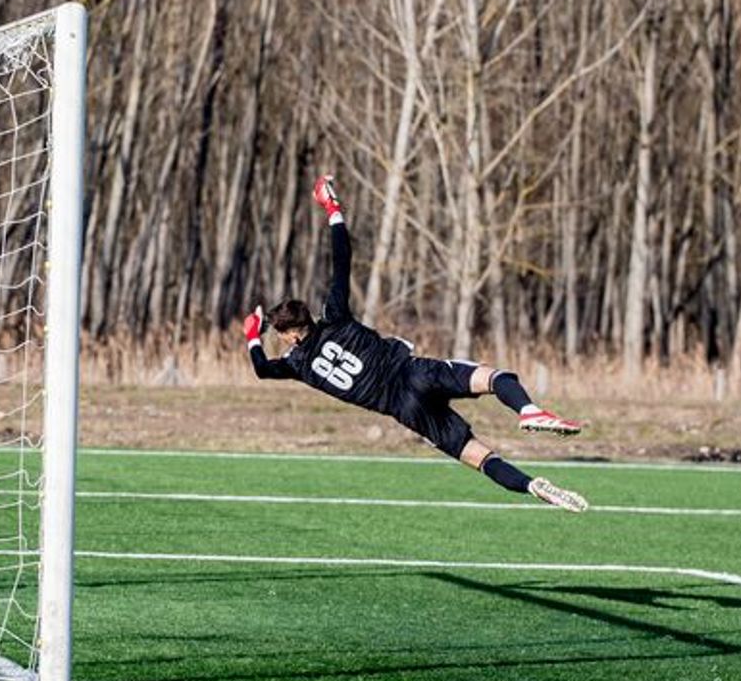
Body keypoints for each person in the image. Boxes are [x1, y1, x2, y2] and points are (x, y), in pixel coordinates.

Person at [244, 175, 588, 512]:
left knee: (477, 455)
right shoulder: (334, 317)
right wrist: (333, 208)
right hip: (415, 373)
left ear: (289, 335)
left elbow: (261, 369)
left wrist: (252, 337)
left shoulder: (296, 365)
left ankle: (529, 485)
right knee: (495, 378)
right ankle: (528, 411)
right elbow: (342, 259)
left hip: (406, 410)